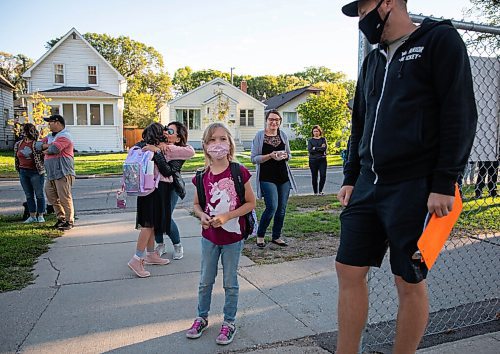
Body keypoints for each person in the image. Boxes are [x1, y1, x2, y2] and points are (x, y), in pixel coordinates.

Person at [337, 1, 478, 353]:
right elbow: (360, 123)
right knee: (347, 269)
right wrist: (351, 177)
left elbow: (459, 113)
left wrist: (445, 181)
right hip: (368, 183)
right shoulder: (372, 60)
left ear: (387, 3)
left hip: (415, 185)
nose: (360, 19)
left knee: (408, 279)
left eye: (364, 8)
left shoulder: (439, 41)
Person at [186, 122, 256, 345]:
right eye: (212, 140)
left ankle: (229, 322)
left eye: (222, 139)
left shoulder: (239, 172)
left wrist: (227, 216)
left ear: (230, 143)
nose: (217, 144)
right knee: (205, 281)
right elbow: (196, 204)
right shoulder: (201, 176)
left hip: (233, 238)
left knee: (230, 282)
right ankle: (201, 317)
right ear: (205, 146)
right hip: (209, 238)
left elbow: (251, 203)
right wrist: (201, 215)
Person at [127, 122, 188, 278]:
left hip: (145, 190)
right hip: (153, 190)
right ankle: (136, 259)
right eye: (164, 131)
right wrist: (158, 152)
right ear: (158, 134)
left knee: (151, 224)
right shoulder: (153, 150)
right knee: (148, 226)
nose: (166, 134)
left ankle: (151, 254)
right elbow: (167, 171)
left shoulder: (141, 146)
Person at [250, 109, 298, 248]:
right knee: (272, 207)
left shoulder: (283, 135)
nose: (274, 122)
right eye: (271, 119)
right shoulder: (260, 136)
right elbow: (254, 159)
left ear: (280, 122)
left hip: (283, 177)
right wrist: (270, 156)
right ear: (266, 120)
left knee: (281, 209)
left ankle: (276, 236)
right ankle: (260, 235)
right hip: (267, 177)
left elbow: (289, 154)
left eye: (277, 120)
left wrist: (285, 156)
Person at [154, 121, 195, 260]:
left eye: (170, 131)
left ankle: (177, 245)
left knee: (165, 217)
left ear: (178, 138)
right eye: (166, 129)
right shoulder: (157, 144)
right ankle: (160, 244)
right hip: (154, 186)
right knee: (155, 217)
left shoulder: (179, 150)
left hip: (171, 188)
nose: (166, 132)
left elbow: (191, 151)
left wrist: (163, 149)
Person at [36, 114, 76, 231]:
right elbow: (38, 146)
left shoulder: (65, 136)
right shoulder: (49, 137)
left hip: (63, 171)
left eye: (50, 122)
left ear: (57, 123)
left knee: (64, 197)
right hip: (51, 173)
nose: (49, 125)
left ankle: (69, 221)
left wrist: (47, 148)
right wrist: (46, 147)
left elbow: (54, 149)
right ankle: (61, 218)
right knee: (51, 196)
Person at [14, 123, 46, 223]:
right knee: (28, 195)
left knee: (39, 194)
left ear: (29, 131)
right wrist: (18, 168)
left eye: (24, 130)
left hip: (35, 172)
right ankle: (32, 216)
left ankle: (40, 215)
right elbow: (16, 157)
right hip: (23, 172)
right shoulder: (18, 144)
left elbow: (45, 154)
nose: (22, 132)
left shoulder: (36, 144)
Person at [308, 125, 328, 195]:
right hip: (313, 160)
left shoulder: (323, 139)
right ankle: (315, 192)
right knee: (314, 176)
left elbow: (324, 149)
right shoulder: (310, 140)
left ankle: (320, 191)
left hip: (322, 160)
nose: (316, 132)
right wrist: (319, 148)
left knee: (323, 175)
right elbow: (310, 150)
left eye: (317, 131)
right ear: (312, 132)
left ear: (320, 132)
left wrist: (315, 148)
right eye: (314, 131)